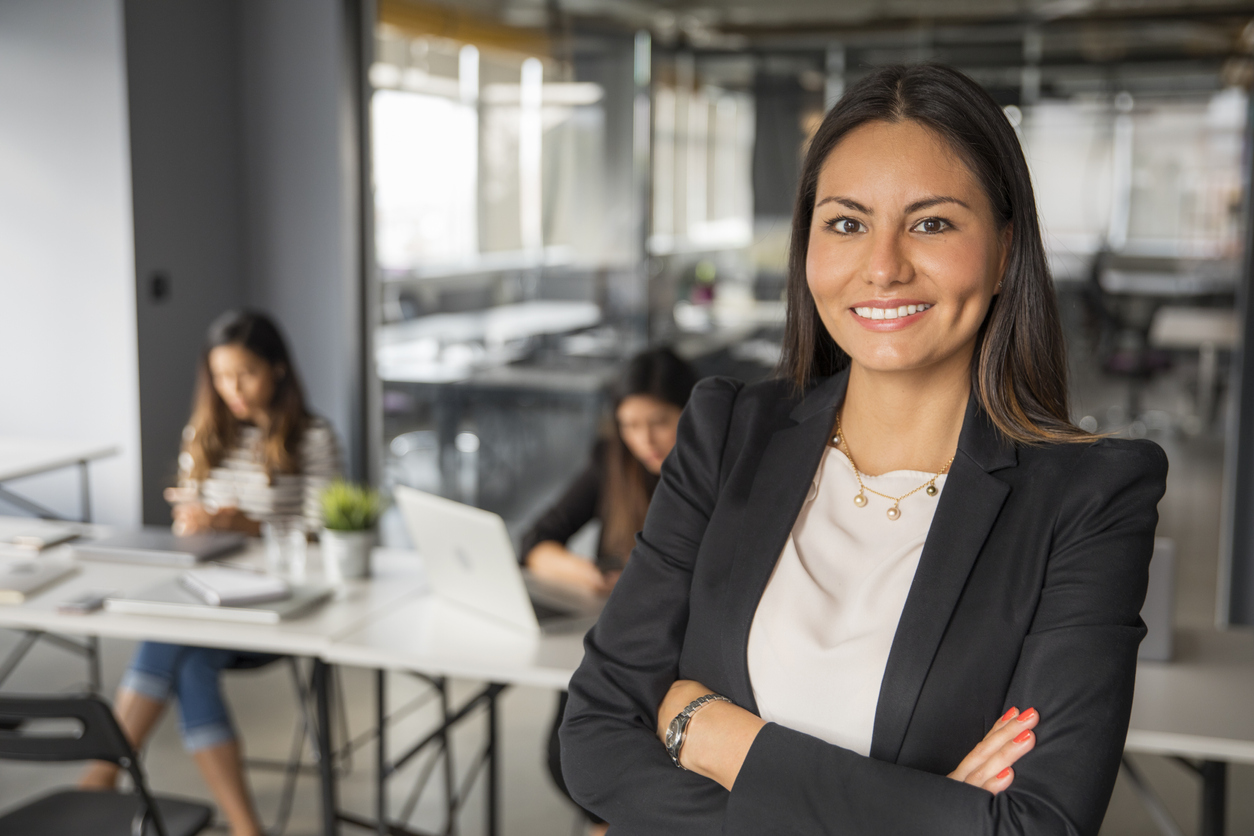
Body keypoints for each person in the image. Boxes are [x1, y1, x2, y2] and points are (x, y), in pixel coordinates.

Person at [559, 63, 1168, 835]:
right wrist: (926, 812)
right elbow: (593, 739)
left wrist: (719, 736)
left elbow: (1035, 826)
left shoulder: (1090, 498)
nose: (882, 266)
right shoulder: (725, 435)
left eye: (932, 222)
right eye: (846, 222)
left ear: (1006, 248)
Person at [81, 310, 341, 836]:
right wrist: (192, 522)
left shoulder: (312, 438)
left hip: (277, 605)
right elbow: (190, 515)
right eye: (221, 376)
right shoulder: (203, 432)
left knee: (174, 644)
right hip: (206, 590)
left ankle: (101, 776)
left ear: (278, 369)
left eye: (245, 373)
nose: (233, 389)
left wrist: (236, 522)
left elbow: (321, 534)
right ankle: (247, 828)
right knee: (185, 653)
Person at [521, 347, 698, 834]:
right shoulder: (614, 461)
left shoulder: (711, 474)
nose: (644, 439)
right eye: (629, 423)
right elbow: (536, 541)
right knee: (566, 753)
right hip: (617, 630)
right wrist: (593, 577)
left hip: (680, 647)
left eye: (659, 421)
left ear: (691, 411)